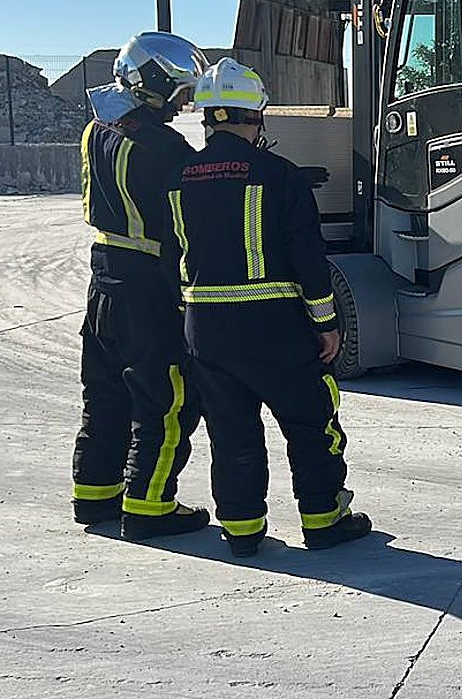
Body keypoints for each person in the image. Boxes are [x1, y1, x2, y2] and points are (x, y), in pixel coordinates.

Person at [161, 57, 371, 557]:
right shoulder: (280, 174)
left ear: (208, 117)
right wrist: (327, 324)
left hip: (206, 330)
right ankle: (323, 519)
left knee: (231, 431)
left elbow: (172, 256)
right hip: (275, 328)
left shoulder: (178, 178)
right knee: (310, 421)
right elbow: (308, 260)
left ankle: (242, 530)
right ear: (255, 115)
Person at [72, 32, 211, 540]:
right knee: (167, 399)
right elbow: (185, 222)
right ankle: (150, 507)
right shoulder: (163, 146)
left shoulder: (95, 129)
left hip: (103, 277)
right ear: (152, 81)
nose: (182, 102)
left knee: (104, 392)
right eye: (178, 90)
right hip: (148, 283)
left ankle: (94, 496)